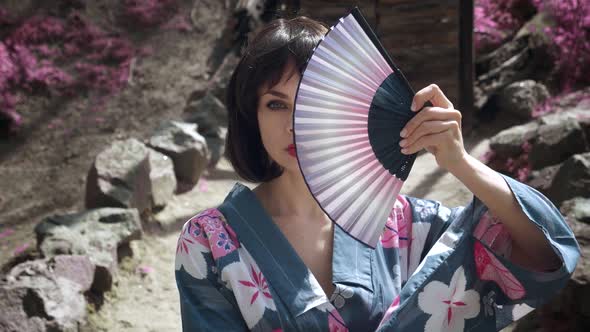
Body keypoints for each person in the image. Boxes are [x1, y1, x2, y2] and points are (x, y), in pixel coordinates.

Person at [175, 16, 579, 331]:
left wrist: (461, 164)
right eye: (276, 105)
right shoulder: (209, 243)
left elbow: (546, 256)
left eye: (314, 102)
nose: (296, 125)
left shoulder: (404, 223)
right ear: (252, 116)